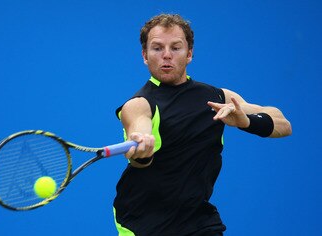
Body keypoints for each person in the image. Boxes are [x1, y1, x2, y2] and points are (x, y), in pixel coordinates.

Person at [113, 14, 292, 236]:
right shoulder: (138, 104)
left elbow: (283, 124)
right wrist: (142, 148)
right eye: (157, 48)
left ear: (189, 54)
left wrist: (245, 121)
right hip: (143, 223)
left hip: (198, 221)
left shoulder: (217, 97)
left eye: (175, 48)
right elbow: (139, 130)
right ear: (145, 56)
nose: (166, 55)